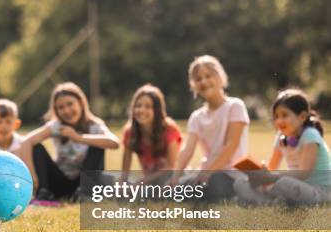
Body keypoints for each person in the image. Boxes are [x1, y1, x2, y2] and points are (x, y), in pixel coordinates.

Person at [21, 82, 119, 203]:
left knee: (99, 143)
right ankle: (44, 192)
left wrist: (78, 137)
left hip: (85, 183)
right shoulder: (57, 126)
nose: (66, 110)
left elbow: (114, 142)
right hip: (60, 182)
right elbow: (26, 142)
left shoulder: (95, 125)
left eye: (70, 104)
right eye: (61, 107)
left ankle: (85, 193)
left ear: (81, 103)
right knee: (37, 147)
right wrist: (33, 177)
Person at [171, 55, 249, 200]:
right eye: (198, 79)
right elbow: (188, 150)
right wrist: (175, 178)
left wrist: (208, 171)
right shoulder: (196, 116)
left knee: (211, 186)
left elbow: (231, 145)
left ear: (220, 77)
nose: (204, 81)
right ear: (193, 85)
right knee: (174, 188)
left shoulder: (235, 106)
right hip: (205, 174)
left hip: (232, 175)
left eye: (208, 76)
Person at [234, 89, 331, 205]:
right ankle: (266, 202)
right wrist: (261, 174)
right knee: (240, 183)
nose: (279, 121)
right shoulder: (281, 137)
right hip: (296, 186)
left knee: (283, 183)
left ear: (302, 116)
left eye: (285, 115)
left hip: (320, 190)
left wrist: (271, 177)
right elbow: (272, 169)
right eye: (276, 117)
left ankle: (262, 200)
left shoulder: (310, 135)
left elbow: (303, 173)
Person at [122, 84, 182, 183]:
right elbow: (125, 172)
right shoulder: (130, 132)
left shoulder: (169, 129)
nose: (141, 110)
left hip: (173, 179)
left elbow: (171, 167)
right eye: (138, 105)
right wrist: (121, 185)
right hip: (149, 181)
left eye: (148, 106)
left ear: (157, 110)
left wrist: (144, 181)